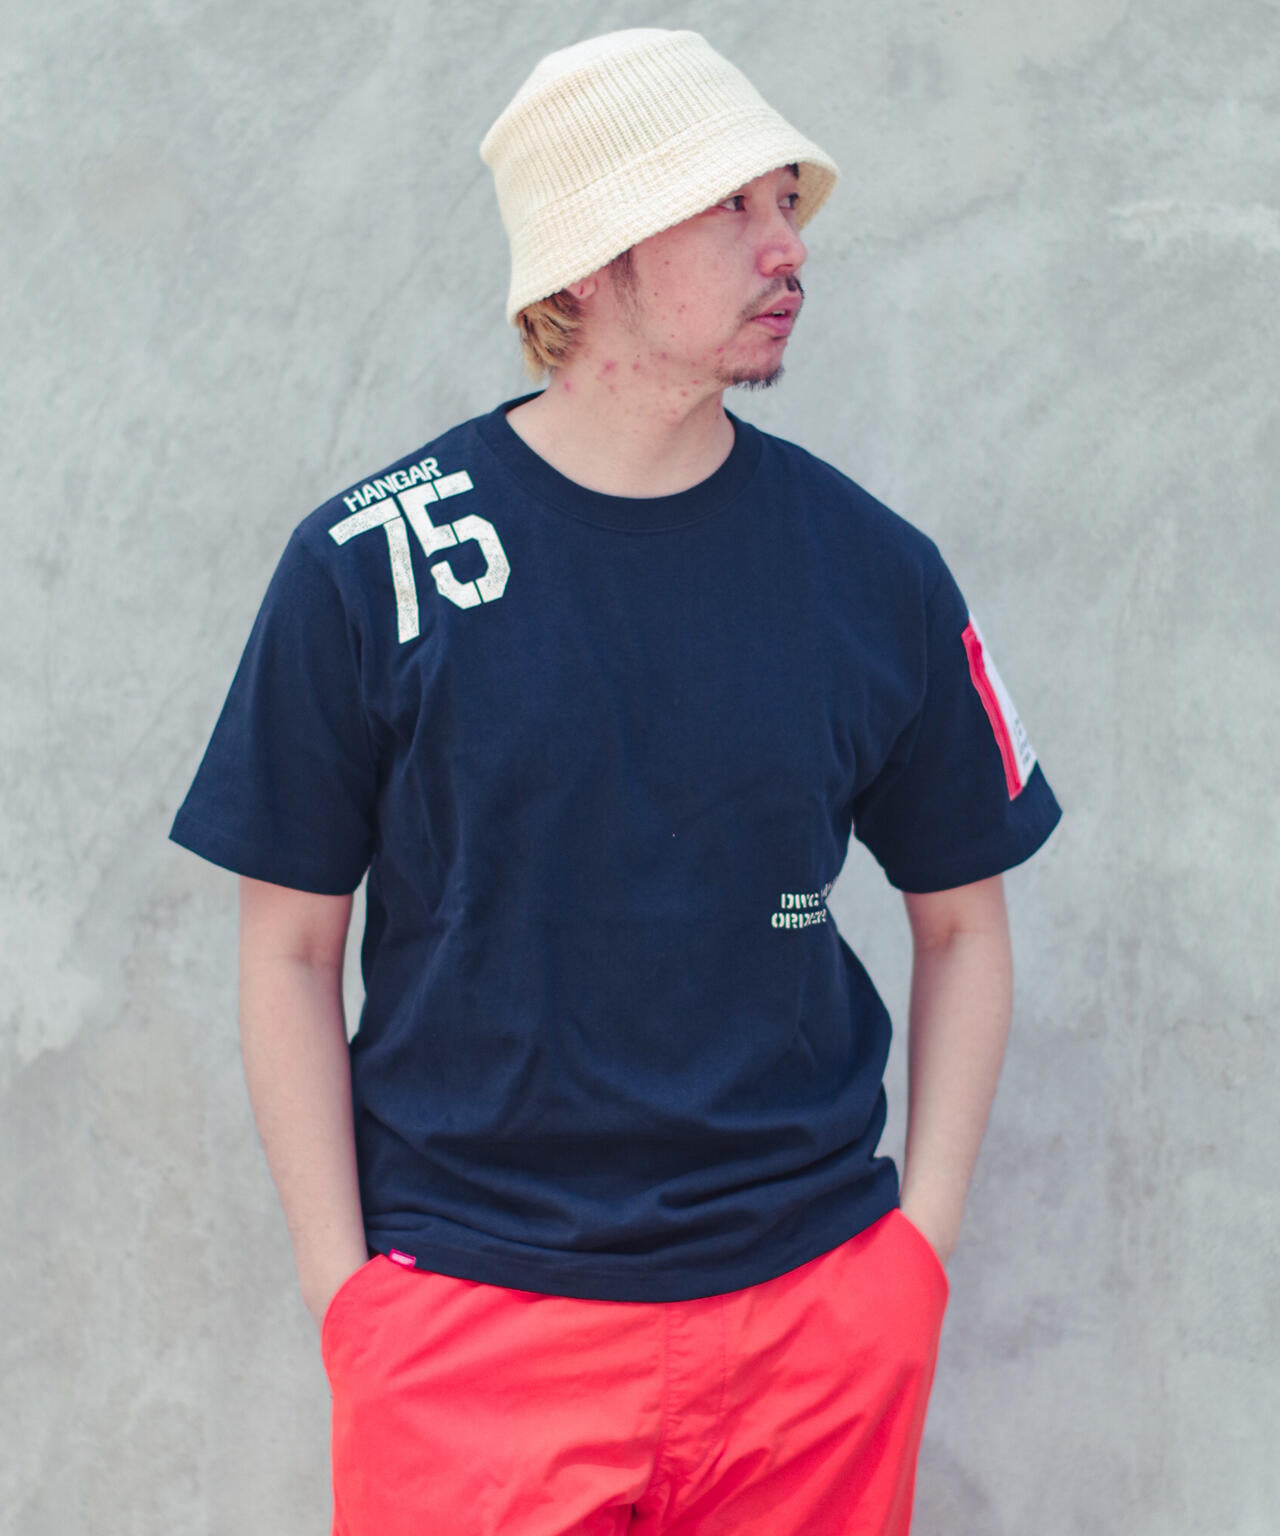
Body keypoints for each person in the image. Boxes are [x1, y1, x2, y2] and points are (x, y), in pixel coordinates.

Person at [170, 26, 1061, 1536]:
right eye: (732, 207)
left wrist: (917, 1255)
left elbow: (964, 921)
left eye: (789, 204)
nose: (789, 247)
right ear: (590, 260)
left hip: (812, 1328)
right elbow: (290, 949)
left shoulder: (873, 571)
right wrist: (351, 1304)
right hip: (471, 1337)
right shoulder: (372, 565)